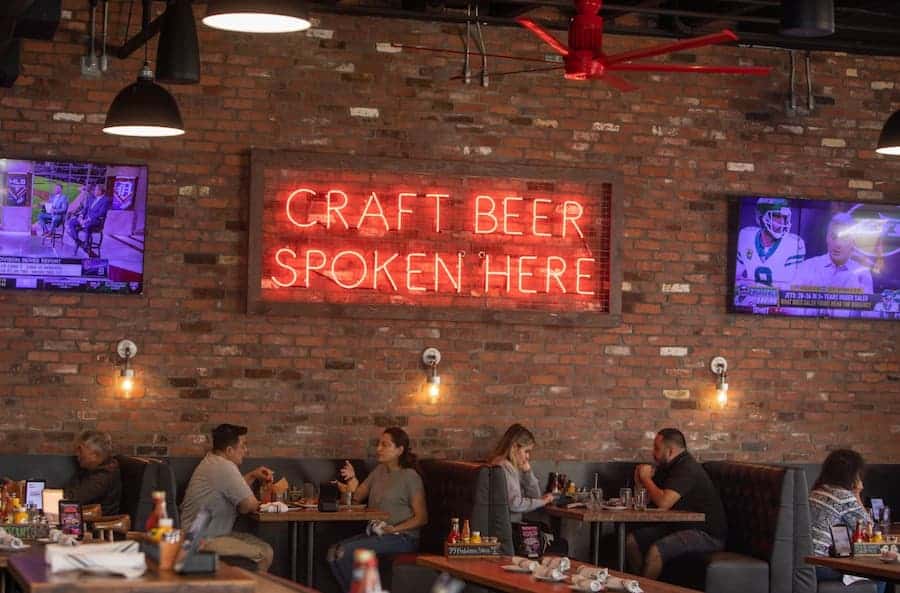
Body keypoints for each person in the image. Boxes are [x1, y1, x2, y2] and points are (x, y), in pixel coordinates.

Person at [329, 427, 427, 592]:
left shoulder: (410, 477)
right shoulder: (379, 471)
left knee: (345, 552)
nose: (378, 449)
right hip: (378, 533)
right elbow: (356, 498)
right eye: (378, 444)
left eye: (385, 445)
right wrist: (352, 479)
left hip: (402, 538)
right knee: (334, 552)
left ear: (399, 450)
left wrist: (393, 529)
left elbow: (422, 518)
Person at [627, 428, 727, 579]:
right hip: (680, 526)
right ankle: (638, 587)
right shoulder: (667, 466)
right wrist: (639, 480)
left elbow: (663, 503)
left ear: (670, 451)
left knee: (656, 551)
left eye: (656, 448)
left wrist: (646, 479)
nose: (653, 453)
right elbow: (647, 502)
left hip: (706, 533)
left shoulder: (687, 468)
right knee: (631, 542)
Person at [180, 424, 275, 572]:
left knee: (264, 548)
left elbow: (229, 490)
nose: (245, 451)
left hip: (203, 534)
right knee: (265, 553)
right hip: (203, 540)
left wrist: (251, 476)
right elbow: (247, 506)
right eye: (243, 446)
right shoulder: (224, 467)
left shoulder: (212, 461)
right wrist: (265, 497)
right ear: (229, 450)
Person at [809, 449, 885, 593]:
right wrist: (856, 493)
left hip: (806, 563)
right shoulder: (843, 496)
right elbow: (870, 529)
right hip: (821, 566)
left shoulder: (817, 491)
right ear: (852, 474)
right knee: (881, 573)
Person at [794, 212, 874, 317]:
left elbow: (869, 314)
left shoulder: (862, 274)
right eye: (833, 237)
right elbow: (790, 305)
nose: (837, 244)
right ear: (827, 238)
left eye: (844, 238)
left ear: (853, 242)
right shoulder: (808, 267)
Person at [735, 197, 806, 295]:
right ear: (761, 217)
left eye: (784, 217)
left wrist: (751, 286)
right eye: (777, 216)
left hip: (780, 306)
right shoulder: (745, 236)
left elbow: (790, 290)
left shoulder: (794, 244)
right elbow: (735, 280)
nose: (782, 222)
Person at [63, 430, 122, 516]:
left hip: (95, 525)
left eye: (80, 450)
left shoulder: (103, 476)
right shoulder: (90, 468)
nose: (77, 454)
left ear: (94, 454)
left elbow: (71, 499)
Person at [67, 183, 110, 255]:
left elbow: (101, 213)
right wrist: (81, 216)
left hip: (96, 221)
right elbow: (85, 209)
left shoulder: (105, 200)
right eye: (94, 190)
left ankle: (86, 244)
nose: (94, 191)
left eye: (96, 190)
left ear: (100, 191)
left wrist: (88, 219)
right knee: (72, 222)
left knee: (87, 225)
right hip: (85, 219)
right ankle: (78, 241)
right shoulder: (91, 198)